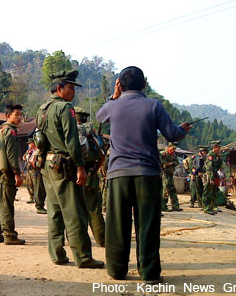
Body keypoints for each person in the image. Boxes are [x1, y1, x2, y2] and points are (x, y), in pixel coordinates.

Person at [96, 66, 190, 283]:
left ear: (120, 84)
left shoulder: (113, 106)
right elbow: (173, 134)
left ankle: (117, 271)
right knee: (147, 224)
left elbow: (100, 117)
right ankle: (149, 273)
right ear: (144, 85)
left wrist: (114, 96)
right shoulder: (153, 105)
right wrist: (183, 128)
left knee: (117, 224)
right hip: (147, 174)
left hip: (118, 174)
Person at [36, 70, 104, 268]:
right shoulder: (65, 108)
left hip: (48, 164)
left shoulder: (43, 109)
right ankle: (83, 257)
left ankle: (57, 253)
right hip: (64, 164)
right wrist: (80, 167)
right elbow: (72, 141)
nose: (73, 91)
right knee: (75, 212)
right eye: (71, 87)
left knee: (55, 211)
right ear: (59, 88)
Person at [0, 104, 25, 245]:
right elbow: (11, 155)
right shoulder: (10, 132)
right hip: (5, 174)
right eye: (17, 114)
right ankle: (9, 235)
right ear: (8, 116)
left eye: (21, 114)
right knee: (6, 205)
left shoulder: (1, 130)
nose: (20, 117)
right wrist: (17, 173)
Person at [74, 106, 105, 247]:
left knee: (75, 210)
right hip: (91, 175)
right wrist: (93, 171)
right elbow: (103, 156)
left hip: (75, 176)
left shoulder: (71, 132)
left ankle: (78, 241)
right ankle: (102, 240)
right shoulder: (92, 134)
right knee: (94, 209)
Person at [23, 138, 47, 214]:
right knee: (31, 185)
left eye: (30, 143)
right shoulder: (30, 151)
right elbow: (24, 158)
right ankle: (37, 203)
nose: (29, 145)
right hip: (31, 169)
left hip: (36, 170)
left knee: (38, 187)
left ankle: (38, 203)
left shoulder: (36, 150)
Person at [202, 141, 223, 215]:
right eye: (218, 147)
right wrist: (211, 178)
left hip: (214, 174)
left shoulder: (216, 156)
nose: (219, 149)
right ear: (214, 147)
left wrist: (220, 158)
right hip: (209, 175)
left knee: (214, 191)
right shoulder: (210, 155)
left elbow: (219, 166)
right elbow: (209, 168)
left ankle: (213, 206)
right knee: (208, 192)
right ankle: (206, 207)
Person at [160, 143, 183, 212]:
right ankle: (163, 206)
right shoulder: (164, 154)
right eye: (173, 148)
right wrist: (169, 164)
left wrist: (170, 163)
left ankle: (175, 206)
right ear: (169, 147)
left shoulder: (173, 155)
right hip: (164, 174)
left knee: (173, 190)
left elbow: (177, 162)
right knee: (165, 190)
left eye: (174, 149)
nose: (174, 150)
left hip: (170, 174)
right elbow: (164, 164)